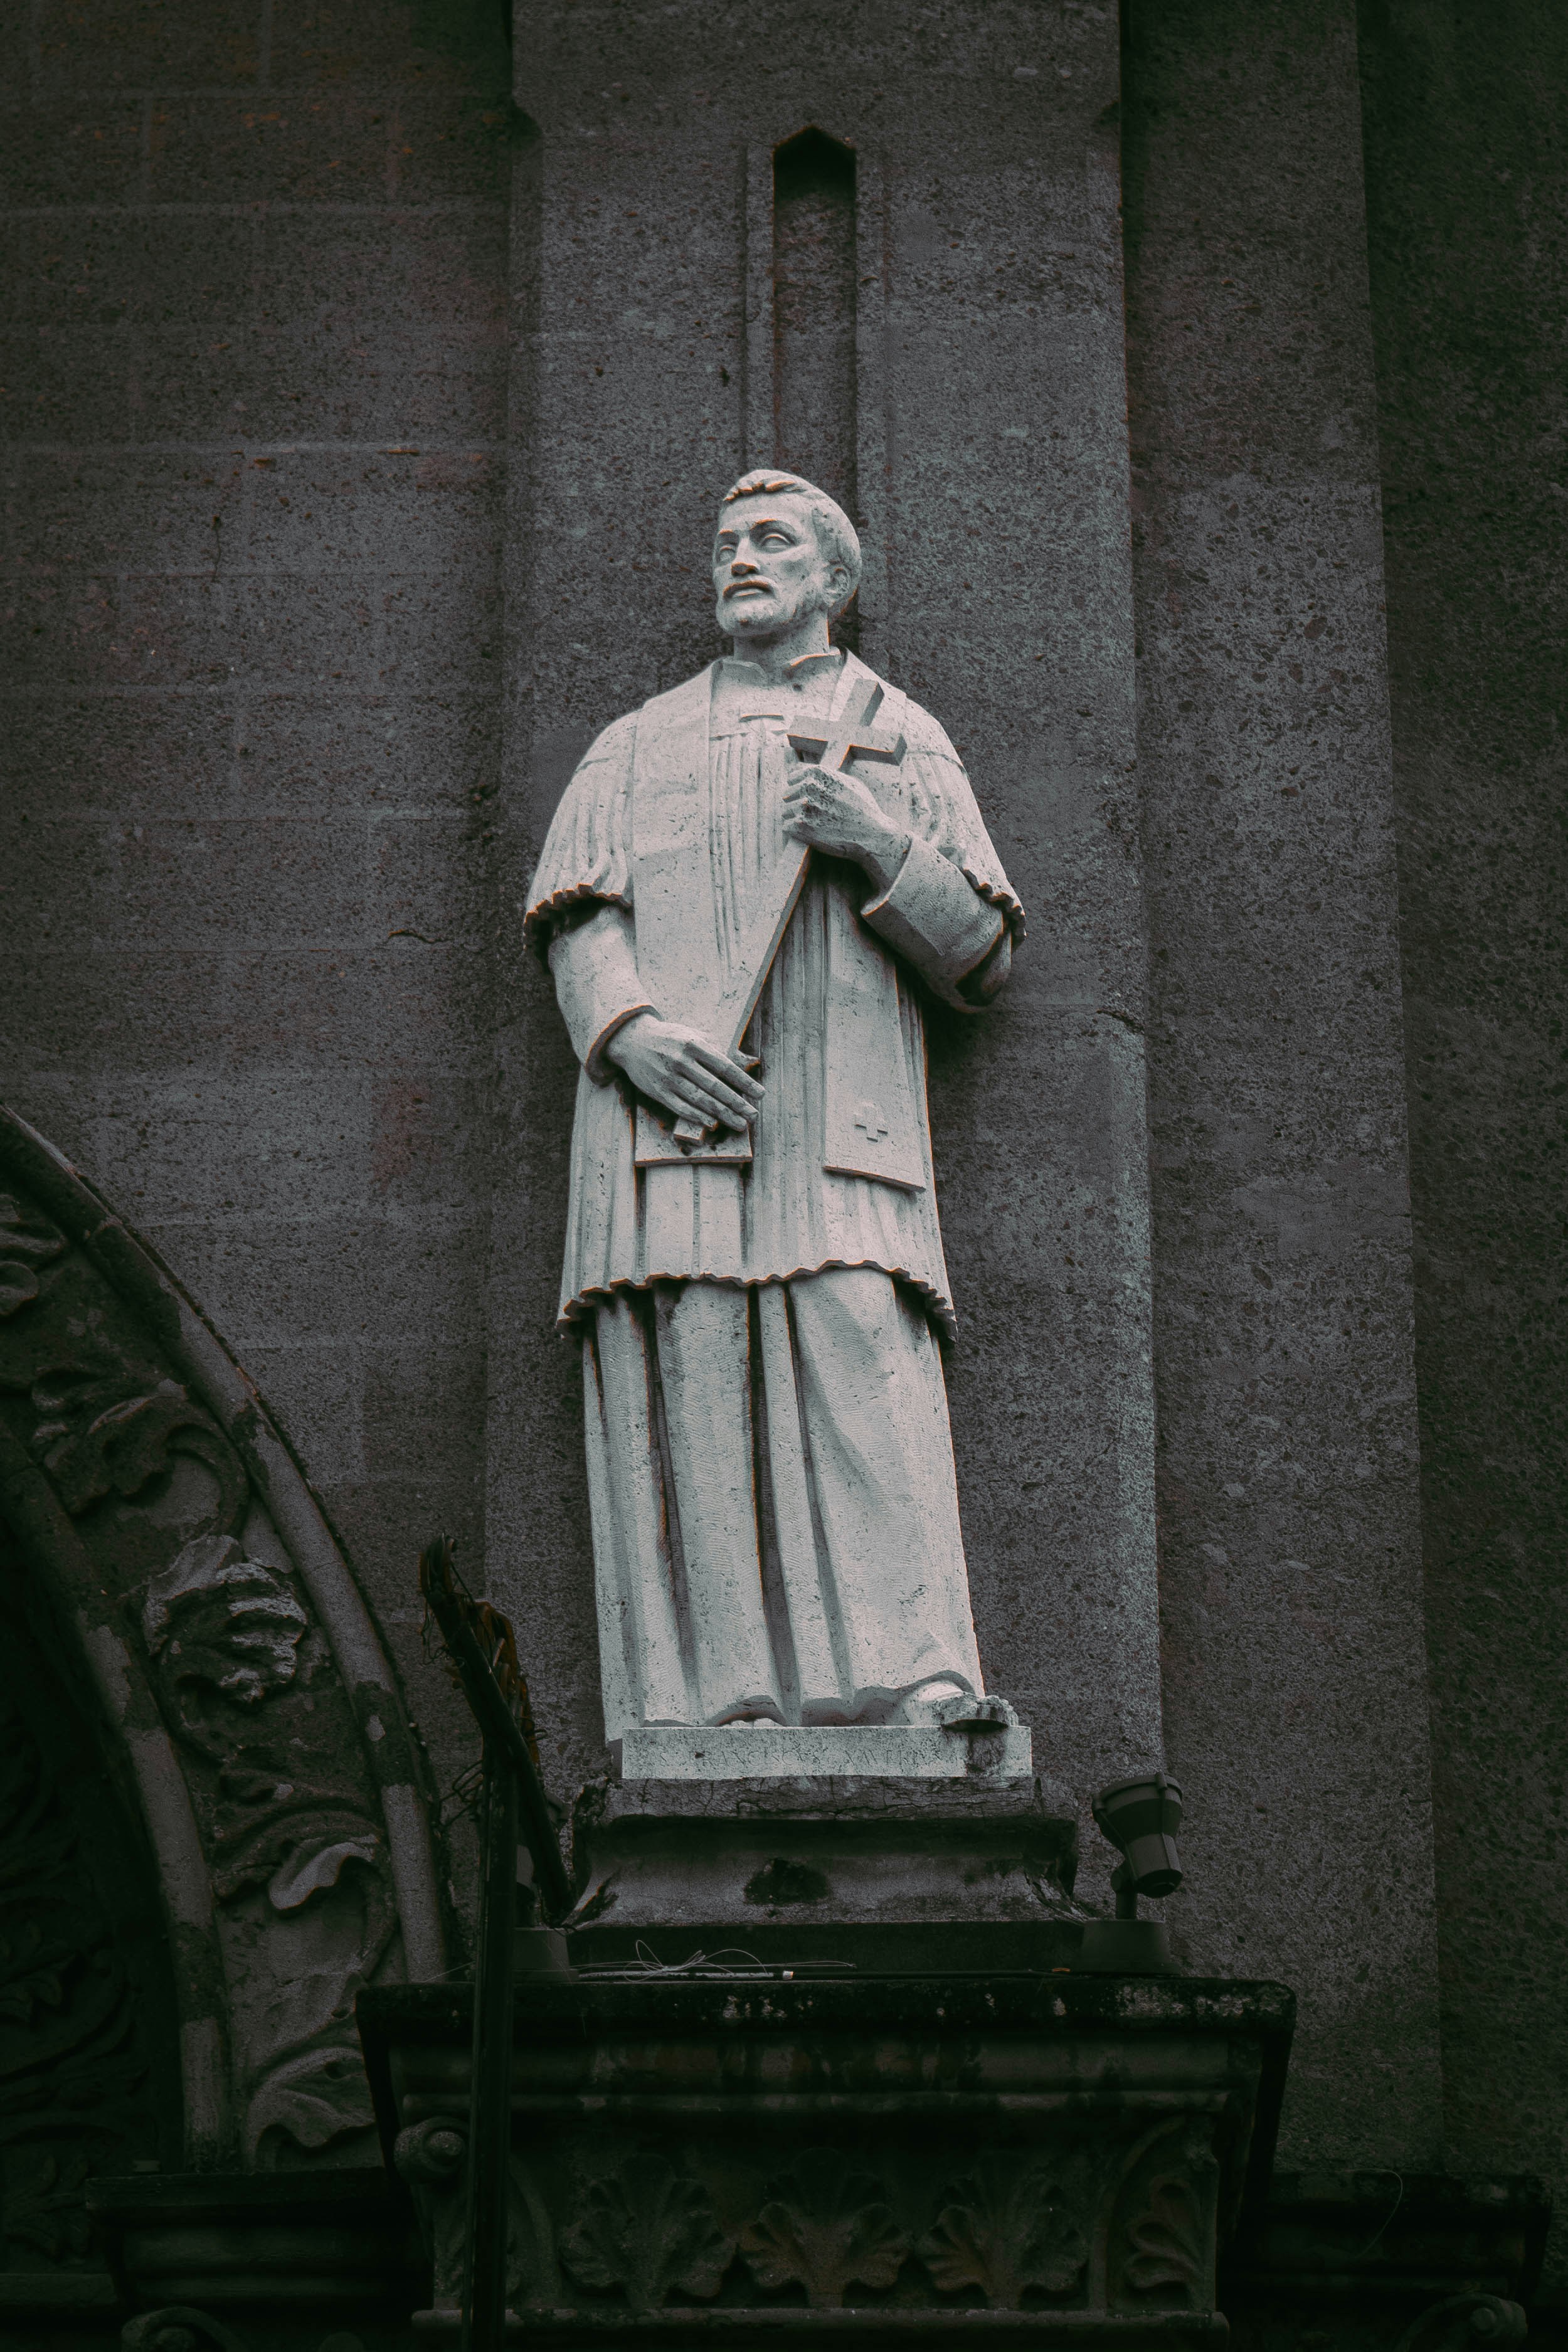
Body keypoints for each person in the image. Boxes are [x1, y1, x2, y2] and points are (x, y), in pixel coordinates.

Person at [525, 470, 1023, 1738]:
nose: (740, 559)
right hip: (676, 1115)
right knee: (694, 1367)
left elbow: (980, 954)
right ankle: (715, 1697)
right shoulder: (634, 743)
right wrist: (629, 1035)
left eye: (771, 540)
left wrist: (875, 842)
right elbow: (579, 918)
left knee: (860, 1340)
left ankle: (919, 1678)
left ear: (830, 579)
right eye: (725, 542)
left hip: (839, 1115)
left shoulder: (897, 734)